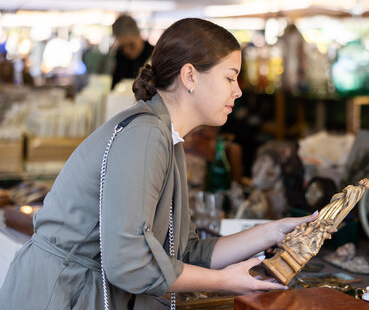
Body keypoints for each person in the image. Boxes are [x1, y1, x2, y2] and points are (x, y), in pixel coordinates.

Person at [0, 18, 316, 309]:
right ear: (190, 76)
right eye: (230, 78)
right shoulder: (146, 135)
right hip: (62, 294)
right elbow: (130, 263)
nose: (238, 90)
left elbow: (184, 252)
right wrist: (224, 281)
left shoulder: (166, 135)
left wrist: (272, 232)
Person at [110, 14, 154, 89]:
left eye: (131, 45)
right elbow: (114, 86)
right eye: (122, 46)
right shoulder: (120, 56)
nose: (127, 50)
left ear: (139, 36)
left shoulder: (154, 54)